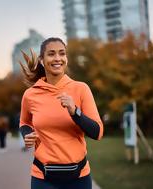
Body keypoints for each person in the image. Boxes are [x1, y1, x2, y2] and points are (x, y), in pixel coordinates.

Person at [19, 37, 104, 189]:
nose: (57, 58)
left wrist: (75, 112)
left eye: (62, 53)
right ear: (42, 60)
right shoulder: (30, 94)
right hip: (43, 178)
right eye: (51, 54)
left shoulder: (81, 89)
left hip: (79, 178)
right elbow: (24, 122)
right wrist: (27, 134)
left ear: (66, 58)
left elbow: (97, 132)